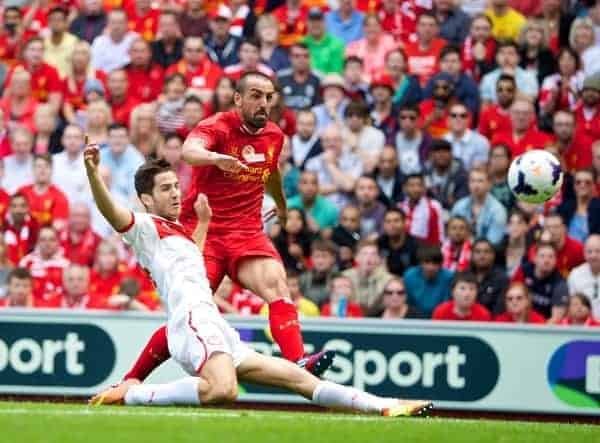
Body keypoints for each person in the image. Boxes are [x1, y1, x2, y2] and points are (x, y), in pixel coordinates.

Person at [87, 154, 430, 417]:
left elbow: (192, 257)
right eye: (166, 188)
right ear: (146, 200)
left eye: (176, 185)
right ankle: (132, 393)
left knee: (301, 381)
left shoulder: (176, 234)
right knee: (223, 391)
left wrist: (206, 223)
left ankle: (385, 405)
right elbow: (113, 214)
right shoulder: (145, 227)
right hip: (193, 323)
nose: (176, 193)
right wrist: (92, 175)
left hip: (217, 326)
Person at [120, 72, 335, 383]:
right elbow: (189, 152)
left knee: (277, 285)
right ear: (238, 99)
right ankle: (132, 379)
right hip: (204, 232)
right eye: (256, 96)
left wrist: (284, 206)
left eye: (269, 97)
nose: (264, 104)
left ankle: (297, 360)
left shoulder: (274, 136)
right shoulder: (216, 127)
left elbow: (271, 172)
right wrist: (216, 158)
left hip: (246, 232)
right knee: (190, 312)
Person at [305, 124, 362, 211]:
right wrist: (342, 186)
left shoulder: (354, 160)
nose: (331, 144)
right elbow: (310, 191)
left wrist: (330, 165)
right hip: (321, 211)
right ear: (322, 143)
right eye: (327, 140)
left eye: (335, 140)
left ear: (342, 141)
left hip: (348, 212)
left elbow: (350, 186)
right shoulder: (312, 163)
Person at [512, 242, 568, 322]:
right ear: (535, 258)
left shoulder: (560, 284)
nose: (546, 260)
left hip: (543, 326)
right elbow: (510, 297)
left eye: (551, 257)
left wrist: (537, 331)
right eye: (542, 256)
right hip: (518, 319)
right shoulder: (524, 271)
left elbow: (556, 319)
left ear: (556, 260)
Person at [451, 167, 507, 246]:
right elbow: (451, 234)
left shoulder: (498, 210)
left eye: (480, 181)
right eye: (472, 181)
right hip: (459, 251)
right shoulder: (459, 206)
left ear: (489, 184)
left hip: (485, 254)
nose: (475, 185)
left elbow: (493, 243)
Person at [16, 154, 69, 230]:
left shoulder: (59, 197)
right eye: (39, 166)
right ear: (33, 169)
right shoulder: (22, 192)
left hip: (46, 239)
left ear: (52, 170)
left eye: (46, 166)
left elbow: (58, 227)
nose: (42, 170)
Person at [19, 225, 70, 304]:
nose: (47, 243)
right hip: (32, 307)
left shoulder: (66, 265)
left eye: (52, 240)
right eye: (43, 240)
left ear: (58, 242)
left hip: (57, 308)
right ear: (37, 242)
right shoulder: (26, 262)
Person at [341, 240, 393, 316]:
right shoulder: (344, 277)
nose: (369, 258)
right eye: (364, 254)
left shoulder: (389, 281)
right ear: (356, 257)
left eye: (373, 254)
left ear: (378, 259)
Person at [100, 124, 145, 207]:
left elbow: (136, 197)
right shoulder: (100, 155)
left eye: (121, 137)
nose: (117, 141)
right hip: (102, 203)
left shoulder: (137, 160)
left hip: (126, 206)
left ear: (128, 139)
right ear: (107, 139)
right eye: (113, 137)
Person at [527, 213, 585, 278]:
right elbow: (532, 273)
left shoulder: (577, 248)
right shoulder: (536, 249)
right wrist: (543, 244)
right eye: (548, 227)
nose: (552, 230)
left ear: (564, 228)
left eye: (556, 227)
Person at [404, 246, 454, 318]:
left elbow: (449, 304)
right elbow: (406, 303)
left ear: (440, 264)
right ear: (420, 263)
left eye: (435, 263)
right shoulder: (409, 276)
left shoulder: (449, 277)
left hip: (441, 319)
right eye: (427, 262)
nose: (431, 267)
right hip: (414, 318)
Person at [345, 14, 396, 82]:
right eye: (368, 26)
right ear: (363, 28)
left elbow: (394, 68)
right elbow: (347, 70)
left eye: (375, 25)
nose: (372, 29)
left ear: (381, 28)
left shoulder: (389, 43)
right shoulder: (354, 47)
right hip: (360, 84)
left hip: (383, 85)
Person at [398, 174, 445, 245]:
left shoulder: (434, 205)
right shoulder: (399, 207)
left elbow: (440, 233)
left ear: (424, 188)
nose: (416, 189)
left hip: (427, 249)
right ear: (404, 188)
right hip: (404, 249)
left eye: (419, 185)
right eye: (412, 185)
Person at [423, 138, 469, 211]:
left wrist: (433, 195)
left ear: (451, 154)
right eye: (438, 151)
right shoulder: (425, 172)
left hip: (452, 215)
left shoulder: (461, 175)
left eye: (445, 151)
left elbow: (460, 203)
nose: (442, 155)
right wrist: (446, 200)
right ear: (431, 155)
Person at [403, 13, 447, 87]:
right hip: (411, 90)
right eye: (423, 25)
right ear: (416, 27)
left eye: (431, 25)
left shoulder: (445, 47)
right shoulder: (407, 49)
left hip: (436, 89)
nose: (427, 29)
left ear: (437, 29)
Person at [557, 169, 600, 243]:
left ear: (594, 185)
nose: (582, 185)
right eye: (578, 182)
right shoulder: (564, 208)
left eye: (587, 182)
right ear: (574, 185)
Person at [90, 9, 138, 73]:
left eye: (120, 22)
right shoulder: (99, 42)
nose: (116, 26)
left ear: (127, 24)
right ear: (107, 24)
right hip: (105, 79)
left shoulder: (135, 40)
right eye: (113, 22)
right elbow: (94, 68)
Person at [277, 43, 321, 111]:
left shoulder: (318, 79)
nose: (301, 60)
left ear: (310, 58)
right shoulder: (280, 78)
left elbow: (319, 107)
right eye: (297, 56)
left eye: (306, 56)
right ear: (290, 58)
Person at [470, 238, 509, 314]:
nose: (482, 255)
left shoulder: (502, 279)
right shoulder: (463, 276)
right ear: (472, 255)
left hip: (491, 324)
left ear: (493, 255)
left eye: (486, 252)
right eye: (478, 252)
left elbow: (499, 310)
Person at [567, 234, 600, 320]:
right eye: (589, 251)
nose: (593, 256)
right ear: (584, 254)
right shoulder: (575, 275)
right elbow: (572, 307)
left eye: (598, 251)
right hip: (583, 328)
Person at [377, 208, 418, 277]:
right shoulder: (379, 243)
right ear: (383, 224)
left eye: (396, 221)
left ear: (404, 223)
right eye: (388, 221)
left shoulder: (415, 246)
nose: (392, 225)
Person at [303, 8, 344, 75]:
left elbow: (337, 72)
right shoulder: (301, 44)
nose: (315, 24)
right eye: (312, 21)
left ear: (325, 23)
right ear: (307, 23)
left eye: (319, 20)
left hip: (330, 83)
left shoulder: (336, 44)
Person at [2, 193, 39, 266]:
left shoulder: (35, 227)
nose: (18, 210)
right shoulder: (2, 228)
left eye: (23, 206)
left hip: (30, 270)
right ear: (9, 208)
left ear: (28, 208)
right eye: (14, 206)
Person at [477, 74, 515, 141]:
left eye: (509, 90)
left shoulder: (522, 114)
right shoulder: (486, 114)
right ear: (496, 91)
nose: (504, 93)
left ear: (515, 92)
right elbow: (482, 140)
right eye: (500, 90)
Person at [3, 127, 35, 194]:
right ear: (11, 144)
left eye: (25, 144)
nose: (22, 148)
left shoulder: (38, 164)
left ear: (31, 144)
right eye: (18, 144)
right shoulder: (3, 164)